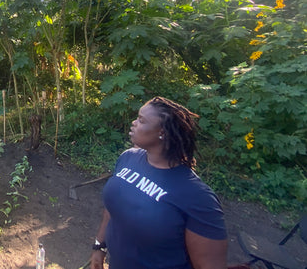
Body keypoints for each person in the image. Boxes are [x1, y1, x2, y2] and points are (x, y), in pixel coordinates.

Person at [90, 96, 227, 269]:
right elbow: (112, 209)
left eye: (141, 120)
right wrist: (99, 246)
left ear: (162, 131)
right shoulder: (128, 158)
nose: (134, 123)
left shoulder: (198, 197)